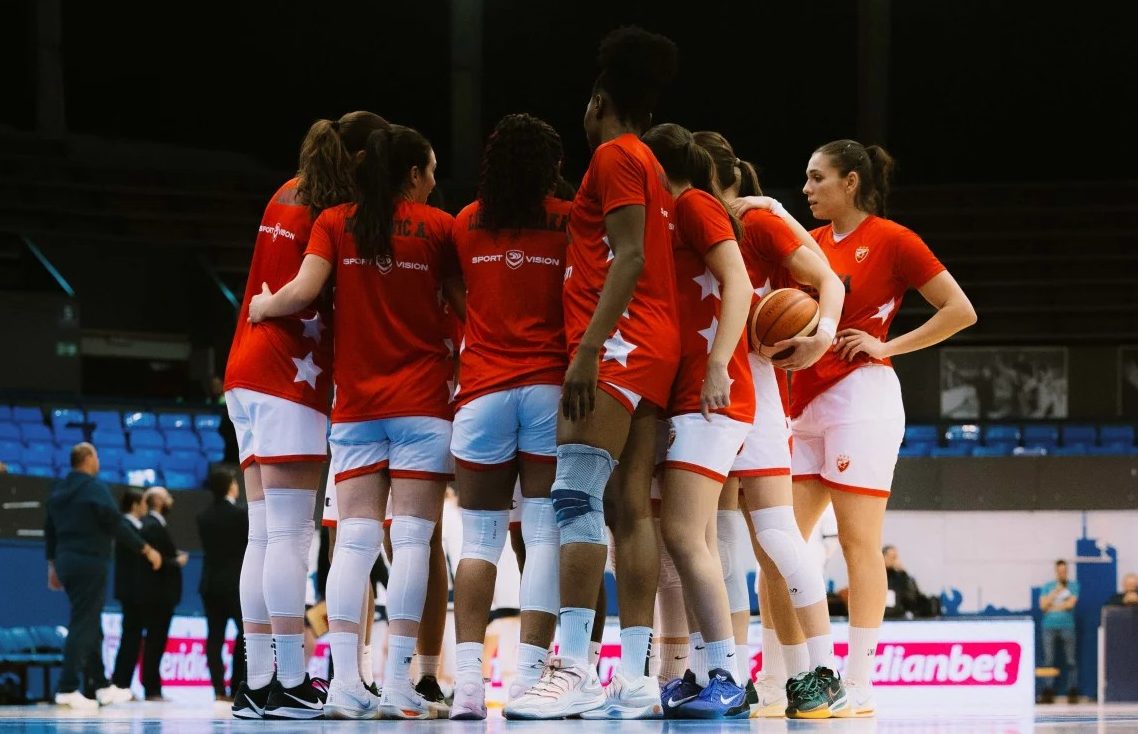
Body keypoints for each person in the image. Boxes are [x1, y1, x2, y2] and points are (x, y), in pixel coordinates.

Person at [737, 139, 976, 718]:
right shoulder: (811, 243)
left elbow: (960, 310)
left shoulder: (894, 239)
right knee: (776, 546)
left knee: (857, 543)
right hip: (801, 401)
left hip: (861, 398)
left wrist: (886, 345)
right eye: (804, 179)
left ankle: (860, 684)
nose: (807, 188)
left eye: (817, 177)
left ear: (851, 182)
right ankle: (779, 681)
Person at [250, 123, 462, 720]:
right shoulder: (440, 227)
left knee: (354, 540)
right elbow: (468, 306)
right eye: (432, 170)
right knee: (413, 541)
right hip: (423, 405)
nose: (435, 180)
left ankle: (345, 683)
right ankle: (398, 686)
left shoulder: (335, 221)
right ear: (414, 173)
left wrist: (263, 305)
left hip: (357, 409)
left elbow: (301, 292)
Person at [505, 25, 680, 721]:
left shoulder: (612, 156)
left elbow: (628, 256)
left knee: (574, 498)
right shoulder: (652, 163)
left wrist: (587, 349)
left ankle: (573, 668)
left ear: (599, 102)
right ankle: (634, 680)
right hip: (655, 346)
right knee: (629, 509)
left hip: (618, 346)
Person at [223, 110, 389, 719]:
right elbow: (309, 292)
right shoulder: (333, 214)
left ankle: (256, 683)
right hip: (288, 377)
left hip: (244, 371)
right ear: (362, 160)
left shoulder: (284, 192)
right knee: (291, 537)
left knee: (262, 536)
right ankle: (290, 681)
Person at [696, 130, 845, 720]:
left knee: (776, 535)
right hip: (699, 390)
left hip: (754, 386)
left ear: (726, 177)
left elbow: (829, 279)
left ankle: (821, 671)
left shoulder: (756, 221)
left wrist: (822, 336)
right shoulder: (687, 224)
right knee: (718, 541)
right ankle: (733, 676)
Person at [448, 113, 571, 720]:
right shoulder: (570, 221)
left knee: (480, 541)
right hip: (550, 388)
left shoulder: (465, 221)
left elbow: (454, 290)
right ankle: (527, 680)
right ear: (552, 166)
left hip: (481, 392)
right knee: (544, 535)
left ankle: (468, 686)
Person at [641, 122, 755, 719]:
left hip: (709, 394)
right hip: (684, 392)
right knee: (694, 541)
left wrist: (716, 365)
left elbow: (740, 282)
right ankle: (711, 671)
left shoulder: (693, 204)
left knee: (684, 536)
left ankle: (728, 675)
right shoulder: (671, 214)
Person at [45, 443, 162, 709]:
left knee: (89, 621)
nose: (98, 461)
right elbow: (116, 523)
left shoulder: (58, 489)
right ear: (88, 459)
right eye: (96, 456)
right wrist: (145, 549)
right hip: (89, 561)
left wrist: (52, 566)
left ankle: (101, 685)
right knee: (83, 622)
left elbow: (49, 529)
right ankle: (67, 687)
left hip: (65, 561)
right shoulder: (94, 487)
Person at [197, 469, 249, 701]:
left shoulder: (203, 516)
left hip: (210, 584)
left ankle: (218, 690)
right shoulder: (240, 514)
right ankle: (238, 685)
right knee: (246, 634)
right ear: (229, 486)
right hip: (235, 584)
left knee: (214, 637)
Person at [138, 486, 188, 702]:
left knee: (156, 641)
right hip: (158, 594)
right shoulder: (152, 525)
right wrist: (176, 561)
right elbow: (155, 561)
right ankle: (152, 689)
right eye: (167, 497)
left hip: (160, 594)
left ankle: (153, 687)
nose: (171, 501)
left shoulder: (157, 524)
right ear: (157, 500)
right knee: (155, 641)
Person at [109, 488, 149, 697]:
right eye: (143, 502)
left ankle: (123, 683)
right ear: (134, 505)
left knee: (133, 637)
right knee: (130, 638)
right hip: (131, 591)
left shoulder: (135, 527)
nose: (146, 507)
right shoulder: (125, 526)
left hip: (136, 591)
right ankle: (120, 684)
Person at [1039, 559, 1080, 704]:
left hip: (1067, 626)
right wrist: (1055, 592)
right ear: (1056, 571)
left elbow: (1070, 605)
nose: (1062, 573)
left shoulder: (1073, 586)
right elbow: (1043, 606)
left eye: (1064, 571)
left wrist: (1052, 608)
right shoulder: (1048, 587)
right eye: (1060, 571)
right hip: (1049, 626)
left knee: (1071, 660)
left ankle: (1072, 690)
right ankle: (1048, 690)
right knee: (1048, 660)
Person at [883, 545, 936, 619]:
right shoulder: (877, 576)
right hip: (881, 616)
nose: (894, 560)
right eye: (891, 557)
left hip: (897, 617)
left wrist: (904, 574)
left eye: (895, 557)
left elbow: (912, 598)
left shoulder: (901, 577)